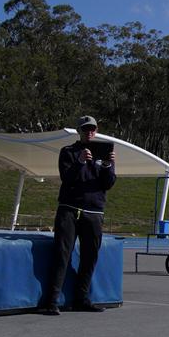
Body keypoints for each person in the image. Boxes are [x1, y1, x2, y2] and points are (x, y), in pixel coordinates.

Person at [38, 115, 116, 315]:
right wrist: (80, 162)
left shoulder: (103, 155)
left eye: (92, 129)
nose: (89, 132)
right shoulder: (68, 152)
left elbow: (108, 183)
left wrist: (107, 166)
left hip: (94, 212)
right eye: (85, 129)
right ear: (79, 131)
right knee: (62, 255)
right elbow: (67, 178)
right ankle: (51, 301)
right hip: (70, 210)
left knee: (90, 257)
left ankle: (81, 299)